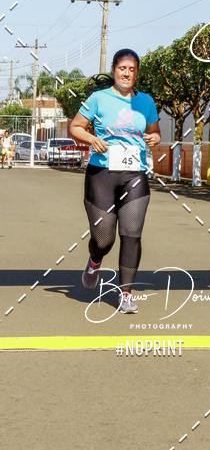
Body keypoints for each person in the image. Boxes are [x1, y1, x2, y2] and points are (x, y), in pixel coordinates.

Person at [70, 49, 161, 314]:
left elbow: (154, 133)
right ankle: (95, 260)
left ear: (137, 73)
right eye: (123, 68)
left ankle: (126, 294)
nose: (127, 73)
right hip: (102, 175)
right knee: (103, 238)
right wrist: (91, 139)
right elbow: (75, 127)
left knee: (131, 235)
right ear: (114, 70)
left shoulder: (145, 101)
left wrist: (154, 139)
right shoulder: (98, 99)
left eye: (132, 69)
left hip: (135, 175)